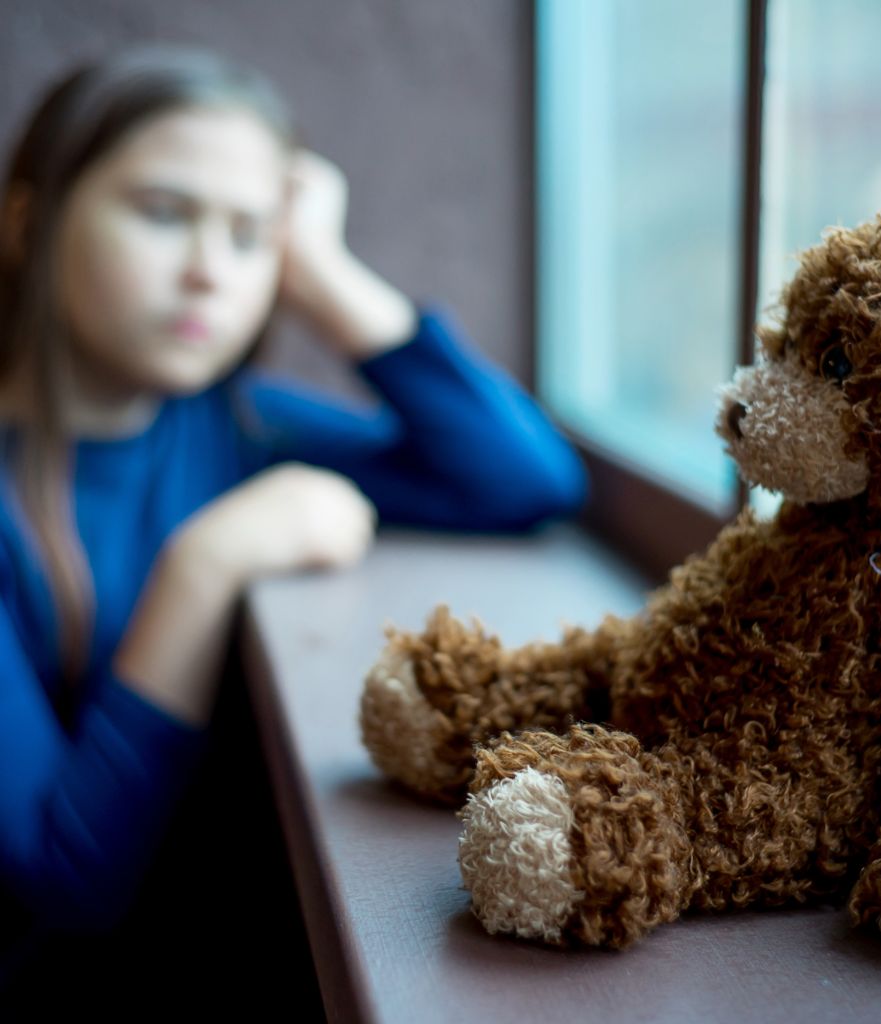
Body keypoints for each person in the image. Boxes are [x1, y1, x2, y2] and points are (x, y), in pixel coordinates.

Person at [0, 44, 587, 1013]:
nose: (209, 272)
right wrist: (206, 564)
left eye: (248, 235)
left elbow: (523, 478)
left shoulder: (240, 428)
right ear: (30, 220)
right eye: (163, 213)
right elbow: (66, 879)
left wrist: (321, 273)